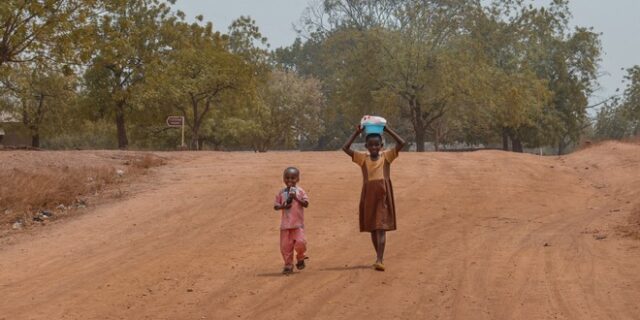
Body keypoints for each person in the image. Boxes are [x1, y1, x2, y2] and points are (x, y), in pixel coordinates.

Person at [342, 124, 406, 271]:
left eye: (377, 145)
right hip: (368, 195)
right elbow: (345, 148)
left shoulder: (387, 157)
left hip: (383, 195)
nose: (374, 148)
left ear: (381, 145)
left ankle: (379, 259)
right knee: (372, 228)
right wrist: (356, 132)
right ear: (366, 146)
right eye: (370, 145)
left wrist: (388, 129)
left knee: (381, 227)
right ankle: (379, 256)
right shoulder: (362, 158)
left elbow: (402, 143)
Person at [274, 167, 310, 275]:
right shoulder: (281, 193)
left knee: (301, 243)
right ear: (283, 179)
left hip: (298, 225)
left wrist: (296, 198)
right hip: (285, 226)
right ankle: (288, 264)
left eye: (293, 178)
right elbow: (275, 206)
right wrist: (283, 206)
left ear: (297, 179)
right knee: (285, 246)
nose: (289, 180)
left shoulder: (300, 191)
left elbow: (306, 204)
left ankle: (300, 256)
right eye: (287, 178)